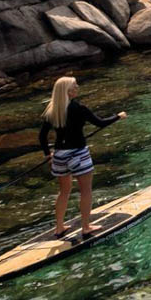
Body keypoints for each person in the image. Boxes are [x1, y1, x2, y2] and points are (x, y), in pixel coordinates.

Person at [38, 76, 126, 239]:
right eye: (74, 86)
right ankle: (86, 227)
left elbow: (42, 136)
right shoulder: (79, 108)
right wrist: (118, 116)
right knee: (86, 191)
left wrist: (47, 155)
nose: (77, 88)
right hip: (78, 154)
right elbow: (100, 123)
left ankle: (59, 227)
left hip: (59, 156)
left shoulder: (52, 110)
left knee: (64, 192)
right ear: (68, 91)